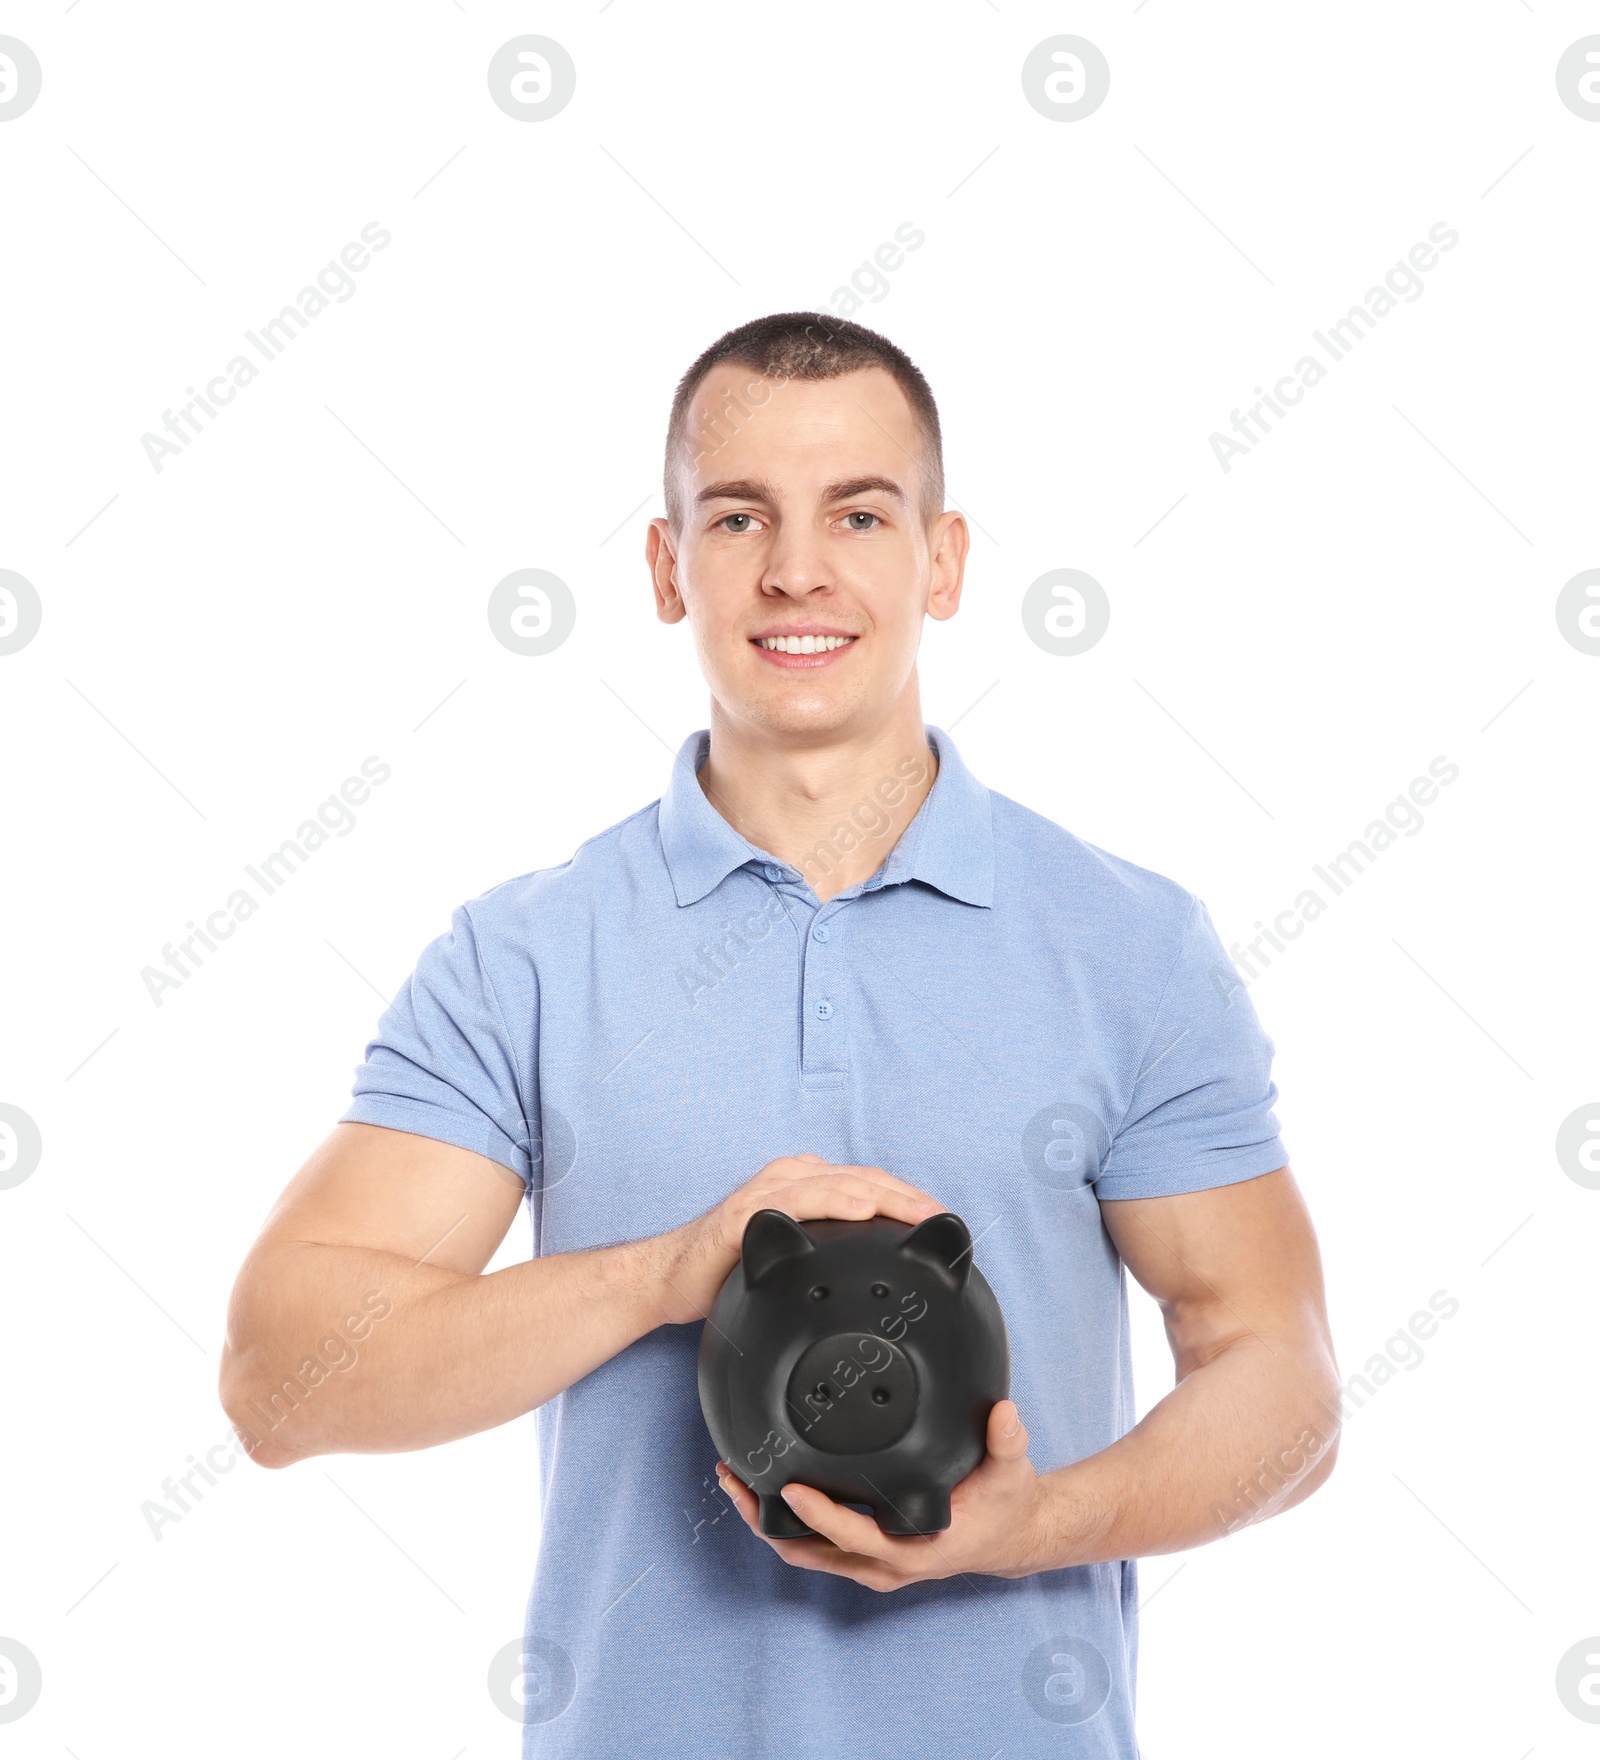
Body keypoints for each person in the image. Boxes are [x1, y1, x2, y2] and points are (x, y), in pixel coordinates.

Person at [220, 311, 1340, 1757]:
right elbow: (279, 1380)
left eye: (859, 513)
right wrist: (665, 1270)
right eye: (738, 515)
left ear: (942, 562)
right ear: (666, 564)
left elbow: (1282, 1380)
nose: (797, 569)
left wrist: (1035, 1523)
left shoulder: (1126, 945)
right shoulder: (528, 957)